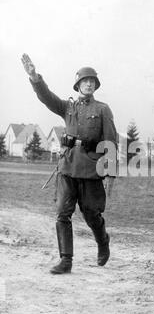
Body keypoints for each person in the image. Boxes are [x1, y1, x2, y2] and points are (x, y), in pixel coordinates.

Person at [21, 54, 117, 274]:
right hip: (67, 168)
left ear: (96, 85)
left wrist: (110, 173)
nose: (89, 83)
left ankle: (103, 241)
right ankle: (66, 260)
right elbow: (47, 97)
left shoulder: (103, 109)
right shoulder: (68, 108)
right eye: (85, 81)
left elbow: (111, 142)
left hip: (91, 170)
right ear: (78, 85)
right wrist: (35, 77)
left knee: (92, 214)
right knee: (62, 213)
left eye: (92, 81)